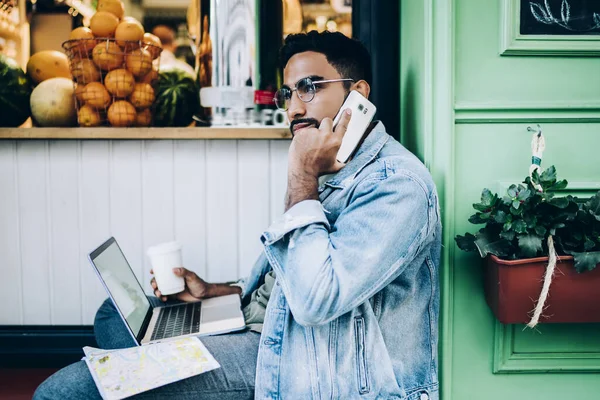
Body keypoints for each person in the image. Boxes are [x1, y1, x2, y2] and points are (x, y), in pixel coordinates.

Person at [34, 30, 441, 399]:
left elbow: (317, 301)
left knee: (63, 392)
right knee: (114, 314)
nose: (294, 108)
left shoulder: (396, 186)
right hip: (265, 327)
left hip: (298, 362)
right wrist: (217, 292)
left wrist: (302, 177)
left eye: (310, 88)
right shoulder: (332, 162)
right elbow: (286, 280)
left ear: (359, 95)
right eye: (287, 93)